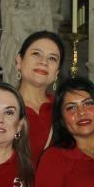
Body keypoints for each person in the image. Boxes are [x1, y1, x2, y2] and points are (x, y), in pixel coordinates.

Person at [14, 30, 63, 158]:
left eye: (52, 58)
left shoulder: (64, 110)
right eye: (36, 54)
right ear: (19, 61)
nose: (44, 62)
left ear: (57, 72)